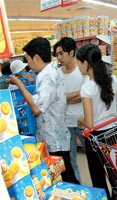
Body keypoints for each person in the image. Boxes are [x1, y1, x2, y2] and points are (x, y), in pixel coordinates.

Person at [8, 37, 78, 184]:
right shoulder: (51, 71)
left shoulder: (48, 77)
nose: (28, 65)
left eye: (28, 60)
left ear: (37, 57)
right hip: (54, 135)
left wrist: (18, 83)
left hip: (54, 140)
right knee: (64, 177)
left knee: (66, 179)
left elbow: (36, 109)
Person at [76, 44, 117, 200]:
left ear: (86, 63)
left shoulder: (87, 88)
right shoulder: (112, 79)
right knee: (114, 172)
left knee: (98, 176)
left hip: (95, 138)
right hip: (112, 134)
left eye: (80, 63)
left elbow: (89, 123)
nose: (79, 67)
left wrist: (78, 119)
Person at [54, 37, 87, 184]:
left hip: (83, 121)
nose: (59, 58)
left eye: (61, 53)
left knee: (92, 158)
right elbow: (57, 98)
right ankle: (79, 187)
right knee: (70, 160)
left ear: (72, 52)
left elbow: (85, 96)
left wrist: (64, 97)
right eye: (57, 55)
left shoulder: (82, 71)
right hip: (65, 122)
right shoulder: (57, 74)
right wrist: (76, 93)